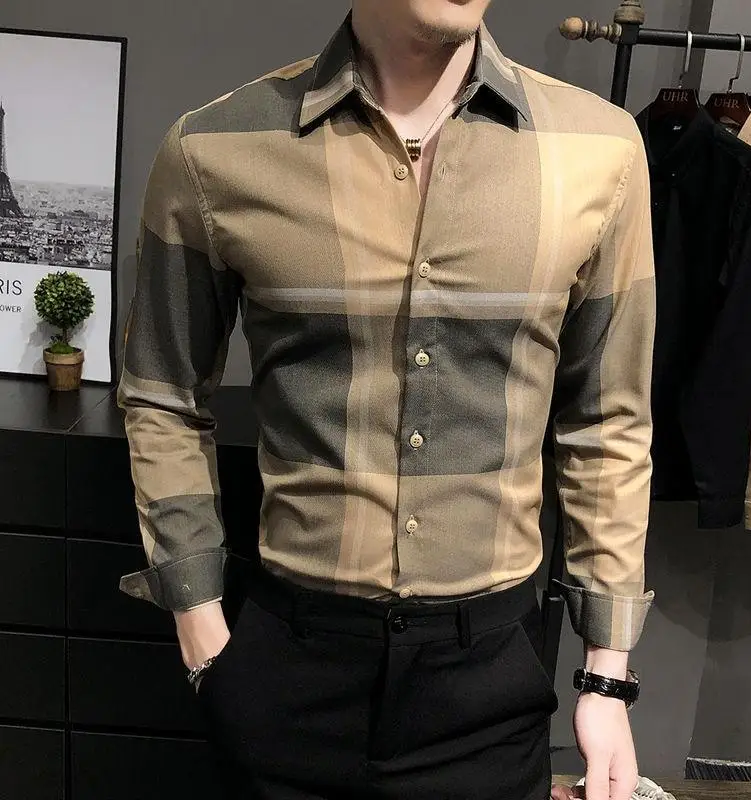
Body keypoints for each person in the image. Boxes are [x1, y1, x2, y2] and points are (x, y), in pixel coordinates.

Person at [117, 1, 656, 798]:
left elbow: (607, 420)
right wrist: (202, 634)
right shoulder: (214, 150)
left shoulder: (600, 151)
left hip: (489, 682)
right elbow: (163, 395)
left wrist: (606, 675)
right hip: (288, 674)